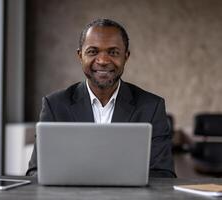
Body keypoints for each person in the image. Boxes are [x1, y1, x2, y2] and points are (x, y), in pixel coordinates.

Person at [26, 18, 176, 178]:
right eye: (93, 51)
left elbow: (164, 176)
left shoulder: (151, 107)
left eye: (113, 52)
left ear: (126, 56)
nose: (103, 60)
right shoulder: (55, 106)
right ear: (80, 55)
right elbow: (36, 173)